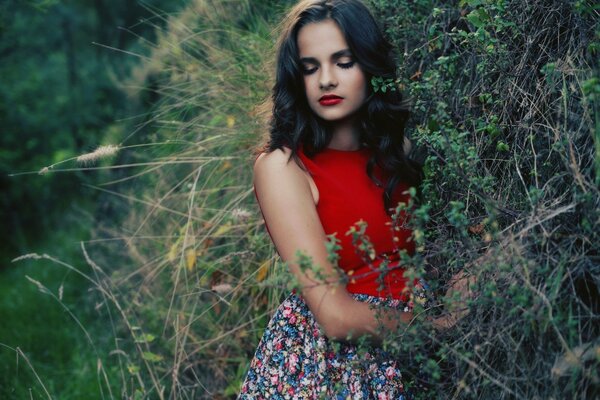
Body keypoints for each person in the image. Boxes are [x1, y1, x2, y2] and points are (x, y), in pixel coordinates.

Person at [238, 0, 429, 398]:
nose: (326, 80)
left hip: (413, 343)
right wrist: (438, 329)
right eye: (311, 67)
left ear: (370, 66)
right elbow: (335, 316)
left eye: (343, 62)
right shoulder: (284, 168)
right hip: (330, 366)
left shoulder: (401, 152)